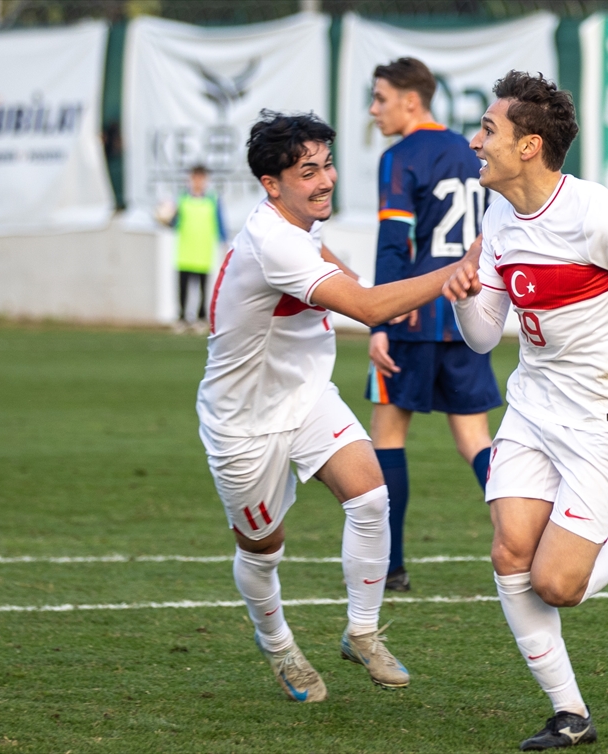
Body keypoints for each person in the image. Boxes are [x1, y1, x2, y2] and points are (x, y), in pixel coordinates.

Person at [443, 72, 608, 750]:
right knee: (509, 551)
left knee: (558, 584)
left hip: (604, 419)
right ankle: (571, 715)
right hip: (532, 408)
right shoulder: (498, 213)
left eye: (489, 131)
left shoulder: (598, 217)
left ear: (530, 146)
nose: (476, 141)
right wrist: (463, 293)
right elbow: (482, 335)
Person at [198, 110, 462, 704]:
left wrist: (374, 306)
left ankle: (362, 632)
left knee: (370, 497)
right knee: (262, 550)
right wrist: (456, 270)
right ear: (272, 184)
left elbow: (347, 281)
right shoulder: (273, 241)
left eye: (327, 165)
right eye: (308, 171)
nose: (326, 180)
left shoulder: (299, 226)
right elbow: (366, 305)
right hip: (244, 423)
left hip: (307, 396)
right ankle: (278, 644)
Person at [365, 57, 502, 592]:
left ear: (411, 100)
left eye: (380, 98)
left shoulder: (400, 157)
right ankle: (524, 534)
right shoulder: (471, 150)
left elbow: (393, 243)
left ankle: (391, 566)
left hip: (413, 312)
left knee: (388, 435)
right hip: (469, 307)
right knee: (474, 437)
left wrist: (378, 319)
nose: (374, 110)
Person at [165, 165, 227, 331]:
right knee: (183, 286)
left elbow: (220, 224)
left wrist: (224, 243)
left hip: (203, 251)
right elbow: (174, 223)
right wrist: (165, 218)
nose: (198, 182)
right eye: (195, 178)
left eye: (201, 178)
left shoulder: (213, 200)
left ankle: (200, 317)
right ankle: (182, 317)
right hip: (185, 251)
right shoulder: (182, 199)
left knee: (202, 287)